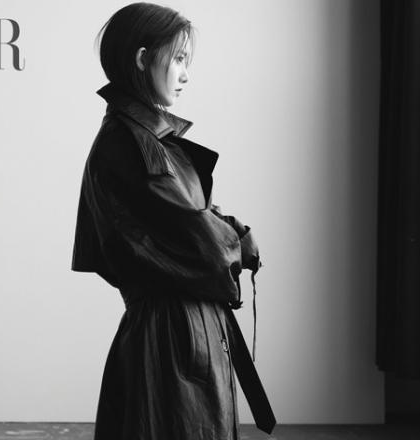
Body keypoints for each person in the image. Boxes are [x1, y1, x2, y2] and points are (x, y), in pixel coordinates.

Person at [71, 3, 276, 439]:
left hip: (180, 335)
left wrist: (229, 231)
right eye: (178, 59)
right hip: (173, 343)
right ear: (142, 59)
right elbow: (203, 242)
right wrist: (237, 239)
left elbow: (188, 219)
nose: (185, 75)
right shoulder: (132, 144)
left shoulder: (143, 140)